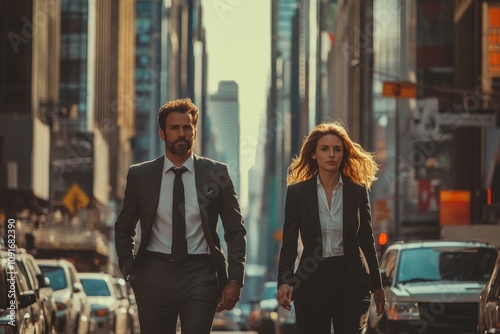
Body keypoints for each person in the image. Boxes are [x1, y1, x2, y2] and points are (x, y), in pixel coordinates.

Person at [114, 98, 246, 334]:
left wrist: (235, 279)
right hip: (153, 273)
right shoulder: (140, 175)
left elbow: (235, 231)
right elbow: (124, 227)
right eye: (175, 128)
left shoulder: (217, 173)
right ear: (162, 134)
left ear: (194, 131)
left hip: (200, 274)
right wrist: (130, 270)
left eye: (187, 127)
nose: (181, 133)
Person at [276, 121, 386, 333]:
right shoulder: (298, 193)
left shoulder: (357, 191)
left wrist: (377, 285)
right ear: (314, 154)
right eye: (324, 149)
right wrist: (284, 281)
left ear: (344, 154)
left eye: (337, 149)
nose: (331, 154)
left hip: (351, 279)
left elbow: (366, 238)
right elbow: (289, 242)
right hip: (312, 280)